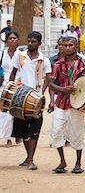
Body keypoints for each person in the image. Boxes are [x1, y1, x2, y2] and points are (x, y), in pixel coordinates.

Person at [49, 37, 85, 174]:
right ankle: (62, 161)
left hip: (78, 104)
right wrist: (62, 89)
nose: (67, 48)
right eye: (65, 45)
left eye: (70, 45)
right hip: (61, 103)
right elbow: (51, 84)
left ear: (76, 46)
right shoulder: (58, 65)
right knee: (56, 132)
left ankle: (78, 163)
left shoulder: (84, 64)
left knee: (77, 133)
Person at [10, 31, 52, 170]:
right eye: (28, 41)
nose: (30, 44)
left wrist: (44, 94)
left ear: (39, 43)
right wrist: (11, 88)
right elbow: (13, 72)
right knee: (22, 130)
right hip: (20, 97)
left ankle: (31, 159)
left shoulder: (44, 60)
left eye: (33, 41)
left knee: (34, 128)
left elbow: (49, 79)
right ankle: (29, 157)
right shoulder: (20, 55)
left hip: (36, 99)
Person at [0, 32, 21, 148]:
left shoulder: (20, 55)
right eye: (10, 38)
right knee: (3, 111)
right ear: (7, 40)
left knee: (13, 112)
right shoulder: (2, 54)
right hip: (3, 85)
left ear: (18, 40)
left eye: (14, 38)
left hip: (16, 85)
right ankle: (6, 136)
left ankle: (12, 137)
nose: (12, 40)